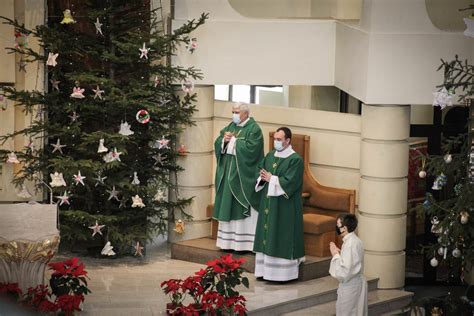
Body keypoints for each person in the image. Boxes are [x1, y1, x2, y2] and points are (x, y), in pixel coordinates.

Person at [253, 127, 305, 281]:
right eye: (275, 139)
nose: (276, 142)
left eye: (279, 139)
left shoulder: (296, 160)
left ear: (287, 141)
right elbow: (261, 172)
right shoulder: (269, 156)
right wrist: (263, 178)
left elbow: (291, 181)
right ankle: (264, 272)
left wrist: (272, 179)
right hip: (268, 203)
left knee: (281, 234)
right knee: (267, 234)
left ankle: (282, 274)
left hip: (285, 206)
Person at [213, 103, 264, 251]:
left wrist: (234, 141)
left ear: (246, 114)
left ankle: (244, 244)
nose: (234, 115)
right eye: (233, 112)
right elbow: (218, 141)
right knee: (227, 205)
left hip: (243, 176)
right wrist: (224, 140)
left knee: (241, 206)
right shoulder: (231, 126)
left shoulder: (254, 129)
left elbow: (253, 150)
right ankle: (227, 243)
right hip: (229, 173)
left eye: (236, 112)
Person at [329, 214, 368, 316]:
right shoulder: (355, 240)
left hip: (350, 287)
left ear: (344, 228)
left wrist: (335, 255)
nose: (337, 227)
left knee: (347, 313)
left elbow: (344, 272)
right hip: (356, 284)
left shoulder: (350, 244)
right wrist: (341, 253)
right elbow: (352, 262)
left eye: (338, 225)